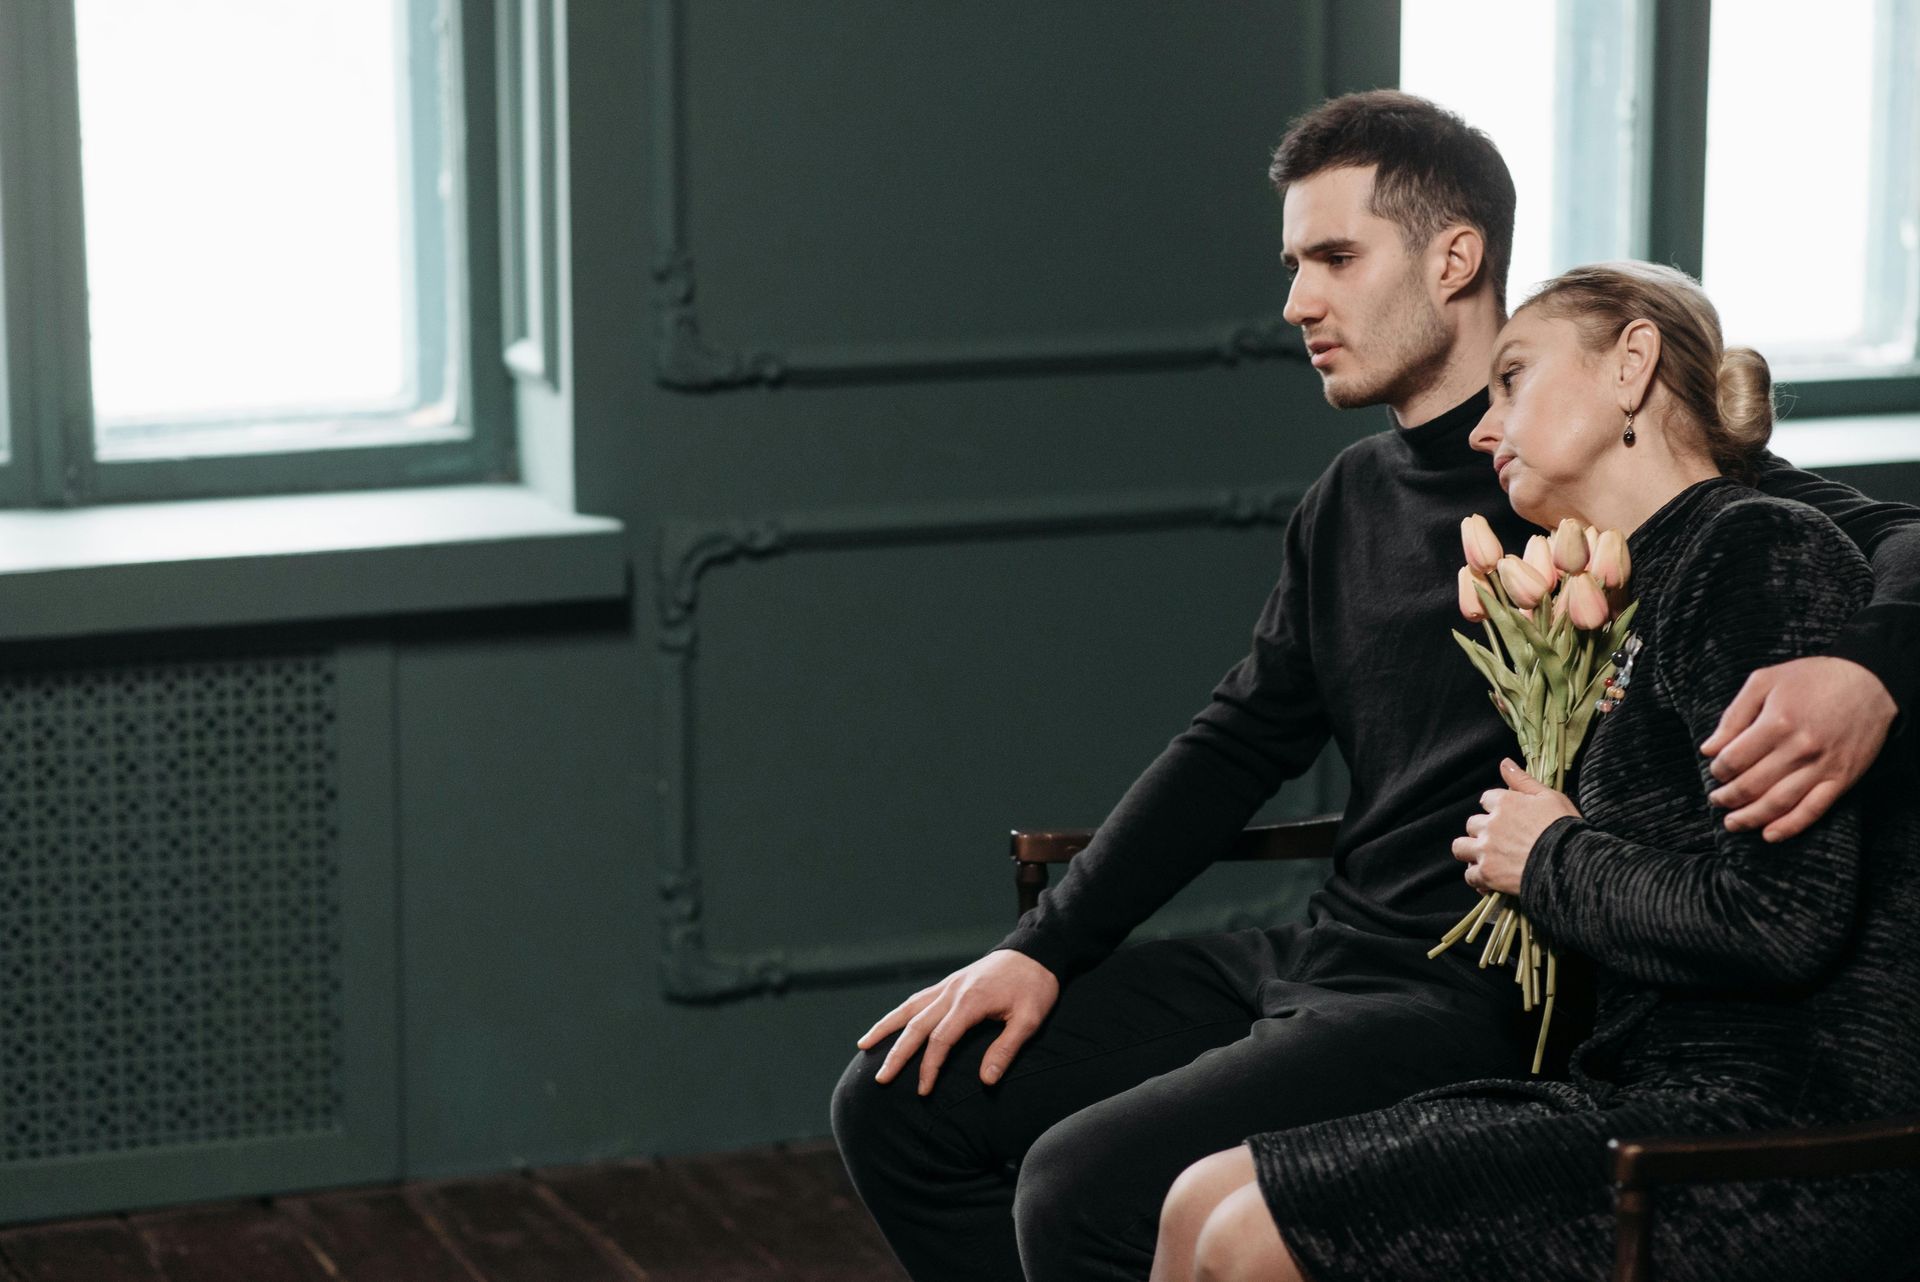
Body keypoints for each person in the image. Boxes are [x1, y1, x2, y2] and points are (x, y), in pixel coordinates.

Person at [829, 91, 1920, 1282]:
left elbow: (1881, 544)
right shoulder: (1351, 498)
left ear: (1456, 258)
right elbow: (1238, 738)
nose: (1298, 300)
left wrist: (1868, 667)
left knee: (1080, 1186)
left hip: (1471, 992)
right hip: (1325, 949)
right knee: (898, 1103)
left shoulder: (1614, 474)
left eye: (1335, 257)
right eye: (1295, 263)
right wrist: (1041, 947)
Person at [1150, 261, 1920, 1282]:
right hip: (1639, 1098)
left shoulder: (1757, 547)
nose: (1480, 425)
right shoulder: (1646, 581)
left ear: (1632, 365)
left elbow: (1782, 921)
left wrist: (1548, 855)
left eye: (1512, 377)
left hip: (1769, 1136)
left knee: (1247, 1237)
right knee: (1201, 1193)